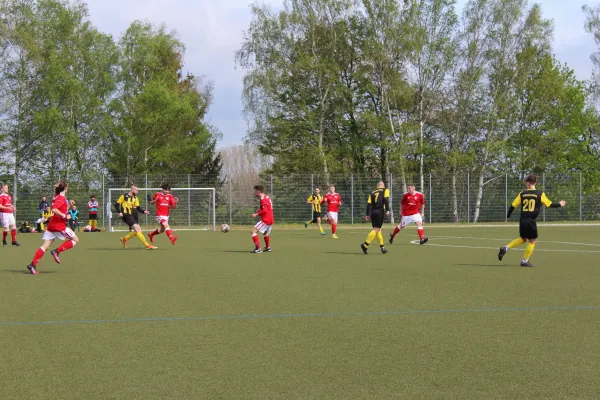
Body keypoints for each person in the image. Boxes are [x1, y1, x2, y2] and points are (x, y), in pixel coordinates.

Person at [498, 174, 565, 267]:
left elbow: (513, 205)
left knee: (523, 238)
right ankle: (524, 261)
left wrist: (507, 216)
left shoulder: (522, 193)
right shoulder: (540, 194)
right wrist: (560, 204)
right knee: (532, 240)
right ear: (535, 183)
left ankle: (505, 248)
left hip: (522, 220)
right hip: (531, 221)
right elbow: (549, 204)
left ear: (528, 183)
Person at [26, 181, 79, 275]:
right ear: (65, 188)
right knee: (75, 240)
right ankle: (56, 251)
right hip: (59, 226)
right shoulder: (61, 198)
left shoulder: (58, 197)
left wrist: (69, 206)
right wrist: (64, 216)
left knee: (45, 246)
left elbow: (61, 208)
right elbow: (54, 209)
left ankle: (32, 265)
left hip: (52, 225)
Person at [116, 185, 156, 249]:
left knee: (138, 230)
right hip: (126, 215)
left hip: (133, 215)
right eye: (136, 190)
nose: (138, 191)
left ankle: (124, 239)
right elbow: (117, 205)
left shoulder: (135, 198)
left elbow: (138, 208)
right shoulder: (124, 196)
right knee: (137, 229)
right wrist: (119, 212)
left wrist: (144, 211)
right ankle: (147, 245)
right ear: (132, 190)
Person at [361, 181, 390, 254]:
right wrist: (387, 210)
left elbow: (368, 205)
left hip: (373, 212)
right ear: (383, 186)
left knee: (378, 230)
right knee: (376, 229)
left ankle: (382, 247)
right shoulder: (385, 190)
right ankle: (365, 245)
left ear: (377, 186)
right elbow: (386, 200)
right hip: (380, 212)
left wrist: (367, 214)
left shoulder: (372, 192)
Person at [250, 185, 274, 253]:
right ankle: (267, 247)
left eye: (255, 191)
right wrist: (258, 211)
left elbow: (265, 210)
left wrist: (256, 214)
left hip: (266, 219)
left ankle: (258, 248)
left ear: (258, 191)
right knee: (266, 233)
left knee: (253, 231)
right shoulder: (266, 197)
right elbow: (265, 208)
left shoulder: (263, 199)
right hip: (271, 218)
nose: (254, 192)